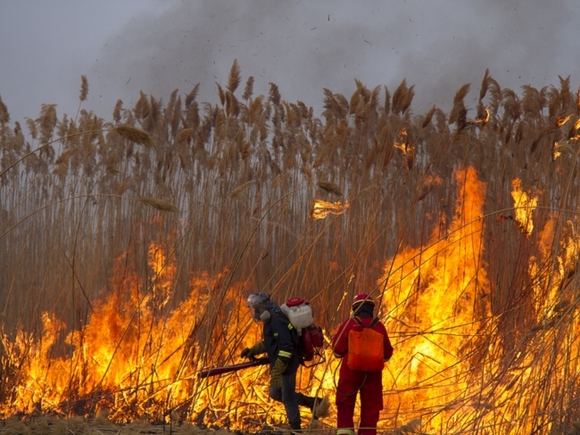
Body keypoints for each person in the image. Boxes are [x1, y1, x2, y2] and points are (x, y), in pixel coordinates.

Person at [241, 292, 327, 431]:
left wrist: (279, 367)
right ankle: (312, 402)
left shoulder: (277, 322)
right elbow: (269, 342)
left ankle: (295, 428)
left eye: (256, 309)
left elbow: (286, 347)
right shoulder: (270, 322)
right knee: (275, 394)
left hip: (287, 365)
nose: (255, 313)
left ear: (263, 308)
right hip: (280, 365)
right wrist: (252, 350)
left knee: (287, 398)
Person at [331, 293, 394, 435]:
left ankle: (345, 433)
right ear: (371, 309)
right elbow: (387, 354)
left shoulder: (348, 325)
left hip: (350, 373)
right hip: (373, 376)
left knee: (345, 404)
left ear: (355, 308)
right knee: (371, 409)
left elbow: (337, 351)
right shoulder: (379, 327)